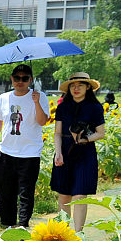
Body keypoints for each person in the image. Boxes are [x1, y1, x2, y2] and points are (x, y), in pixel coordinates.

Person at [0, 63, 50, 228]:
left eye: (24, 78)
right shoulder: (4, 97)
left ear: (30, 80)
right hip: (7, 152)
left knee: (26, 193)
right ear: (12, 79)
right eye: (17, 78)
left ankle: (23, 225)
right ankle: (8, 226)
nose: (20, 81)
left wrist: (36, 103)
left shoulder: (40, 96)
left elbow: (42, 121)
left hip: (29, 154)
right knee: (4, 192)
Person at [50, 72, 107, 232]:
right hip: (64, 152)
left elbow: (100, 133)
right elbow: (57, 133)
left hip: (85, 153)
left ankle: (78, 235)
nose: (76, 88)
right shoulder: (62, 107)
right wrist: (58, 152)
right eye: (73, 86)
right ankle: (64, 234)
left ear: (88, 87)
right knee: (64, 196)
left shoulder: (95, 108)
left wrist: (85, 139)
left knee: (80, 195)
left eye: (80, 85)